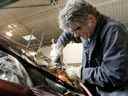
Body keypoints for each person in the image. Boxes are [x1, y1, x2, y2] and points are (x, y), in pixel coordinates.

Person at [50, 0, 128, 96]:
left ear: (91, 19)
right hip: (97, 89)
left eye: (77, 30)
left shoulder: (114, 32)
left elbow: (114, 75)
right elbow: (68, 33)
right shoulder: (85, 27)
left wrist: (80, 72)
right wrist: (58, 47)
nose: (75, 36)